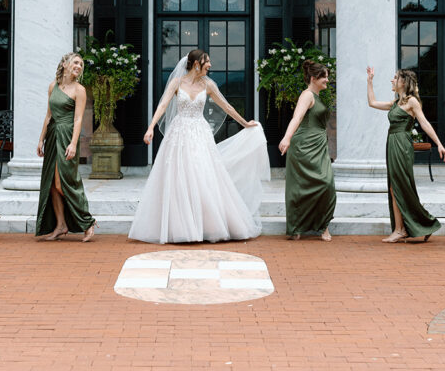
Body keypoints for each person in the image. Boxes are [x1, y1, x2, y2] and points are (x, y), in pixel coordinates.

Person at [129, 49, 268, 244]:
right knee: (179, 176)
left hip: (200, 133)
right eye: (207, 62)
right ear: (196, 64)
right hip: (179, 133)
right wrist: (150, 127)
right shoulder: (177, 83)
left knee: (203, 175)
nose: (210, 65)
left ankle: (206, 226)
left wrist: (245, 123)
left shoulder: (208, 84)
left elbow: (226, 106)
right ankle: (182, 227)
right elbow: (162, 105)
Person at [366, 67, 445, 243]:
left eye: (395, 77)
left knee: (399, 186)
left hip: (402, 146)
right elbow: (372, 103)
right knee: (394, 186)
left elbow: (425, 123)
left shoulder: (412, 102)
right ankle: (411, 226)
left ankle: (401, 229)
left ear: (403, 82)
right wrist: (370, 81)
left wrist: (439, 144)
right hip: (392, 144)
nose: (392, 80)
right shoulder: (396, 102)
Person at [35, 52, 96, 242]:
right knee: (51, 184)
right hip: (52, 135)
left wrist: (73, 143)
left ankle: (87, 221)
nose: (79, 66)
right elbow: (48, 115)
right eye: (76, 62)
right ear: (65, 64)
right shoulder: (53, 86)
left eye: (81, 64)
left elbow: (78, 119)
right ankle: (60, 225)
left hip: (67, 136)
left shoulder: (80, 90)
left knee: (65, 182)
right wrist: (40, 139)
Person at [278, 60, 336, 241]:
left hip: (319, 145)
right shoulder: (307, 95)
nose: (327, 80)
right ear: (313, 78)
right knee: (299, 187)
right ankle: (296, 227)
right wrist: (287, 137)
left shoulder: (317, 97)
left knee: (326, 185)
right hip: (304, 145)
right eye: (324, 76)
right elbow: (297, 117)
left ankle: (323, 226)